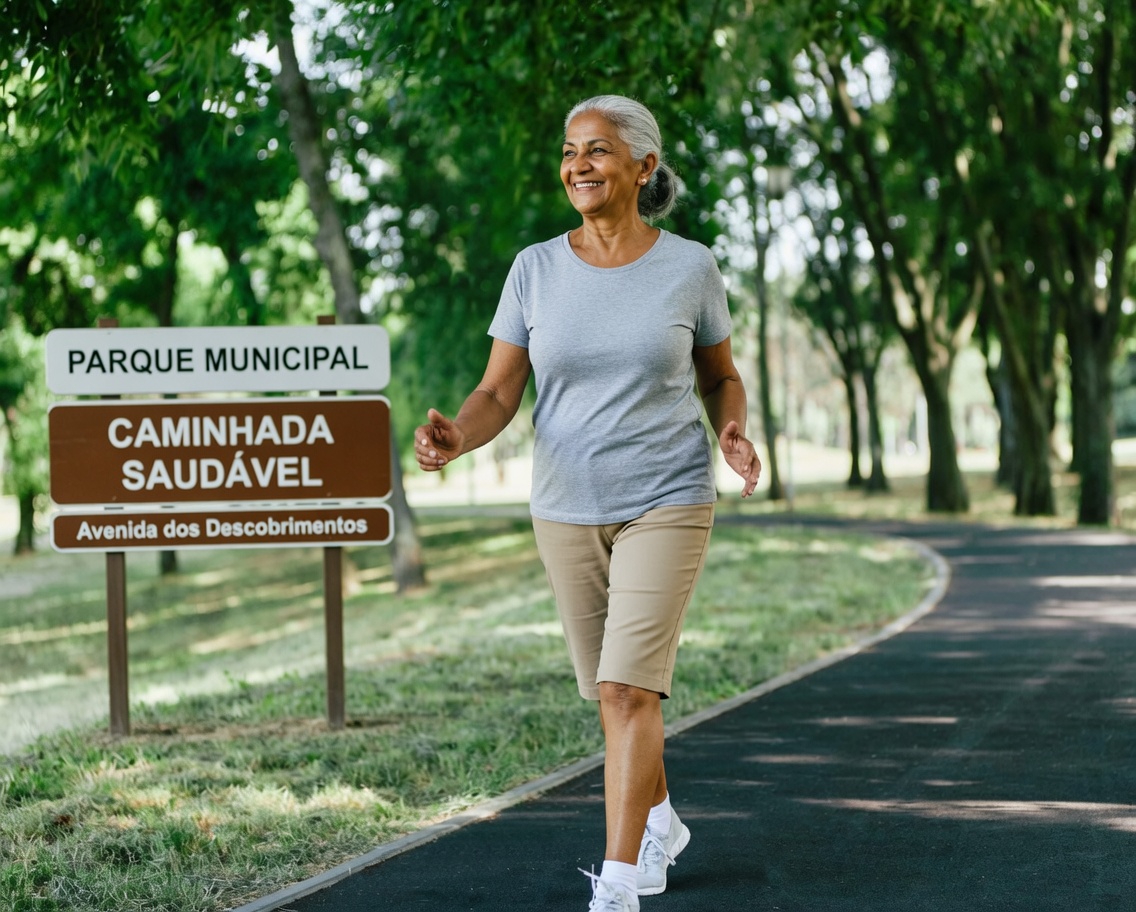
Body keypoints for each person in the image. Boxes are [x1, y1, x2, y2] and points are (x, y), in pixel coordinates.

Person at [414, 94, 761, 912]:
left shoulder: (690, 267)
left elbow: (719, 374)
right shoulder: (534, 269)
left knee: (628, 691)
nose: (578, 165)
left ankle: (617, 886)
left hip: (667, 496)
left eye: (597, 149)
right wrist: (457, 436)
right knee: (611, 690)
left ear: (643, 166)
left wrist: (732, 427)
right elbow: (498, 393)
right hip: (565, 503)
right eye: (570, 151)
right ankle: (660, 821)